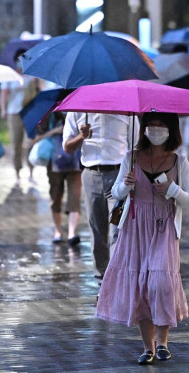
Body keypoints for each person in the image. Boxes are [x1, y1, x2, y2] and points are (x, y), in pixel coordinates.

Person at [96, 112, 189, 365]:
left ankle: (163, 342)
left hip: (164, 228)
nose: (155, 129)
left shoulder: (179, 161)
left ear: (171, 129)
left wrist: (173, 190)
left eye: (162, 125)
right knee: (140, 286)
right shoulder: (130, 158)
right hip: (135, 228)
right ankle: (148, 347)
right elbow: (117, 193)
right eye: (151, 124)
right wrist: (126, 185)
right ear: (143, 128)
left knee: (161, 284)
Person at [63, 112, 136, 279]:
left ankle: (117, 279)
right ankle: (101, 279)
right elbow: (67, 146)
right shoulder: (77, 111)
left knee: (118, 229)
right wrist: (82, 136)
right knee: (97, 231)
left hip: (119, 178)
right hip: (91, 177)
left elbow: (135, 145)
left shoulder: (126, 110)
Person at [35, 111, 82, 245]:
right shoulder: (48, 113)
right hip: (54, 161)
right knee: (55, 196)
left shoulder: (79, 111)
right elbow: (37, 136)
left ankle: (72, 232)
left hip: (75, 159)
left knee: (75, 195)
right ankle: (58, 230)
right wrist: (55, 130)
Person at [0, 51, 40, 184]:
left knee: (30, 142)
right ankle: (17, 173)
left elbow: (40, 92)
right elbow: (3, 94)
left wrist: (35, 83)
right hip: (14, 113)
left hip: (30, 113)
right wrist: (4, 109)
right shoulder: (9, 77)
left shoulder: (32, 76)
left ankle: (31, 173)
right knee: (16, 144)